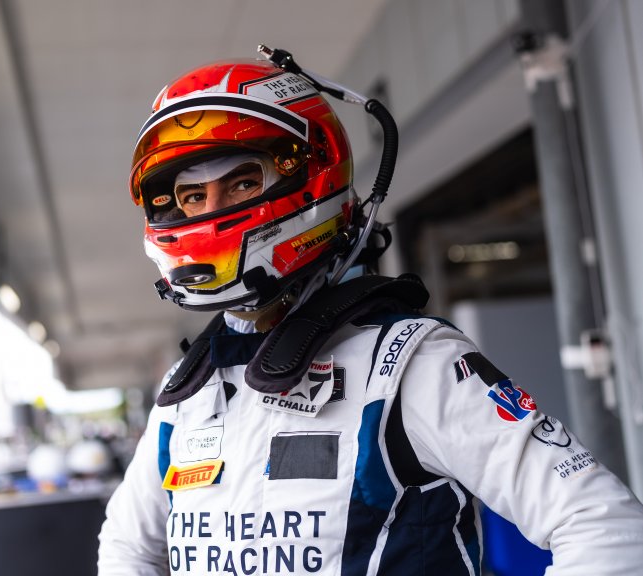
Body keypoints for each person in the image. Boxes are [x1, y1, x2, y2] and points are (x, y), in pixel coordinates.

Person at [97, 49, 643, 575]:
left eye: (242, 181)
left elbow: (604, 526)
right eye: (193, 197)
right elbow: (126, 546)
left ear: (308, 175)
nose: (211, 212)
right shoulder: (186, 389)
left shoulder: (409, 361)